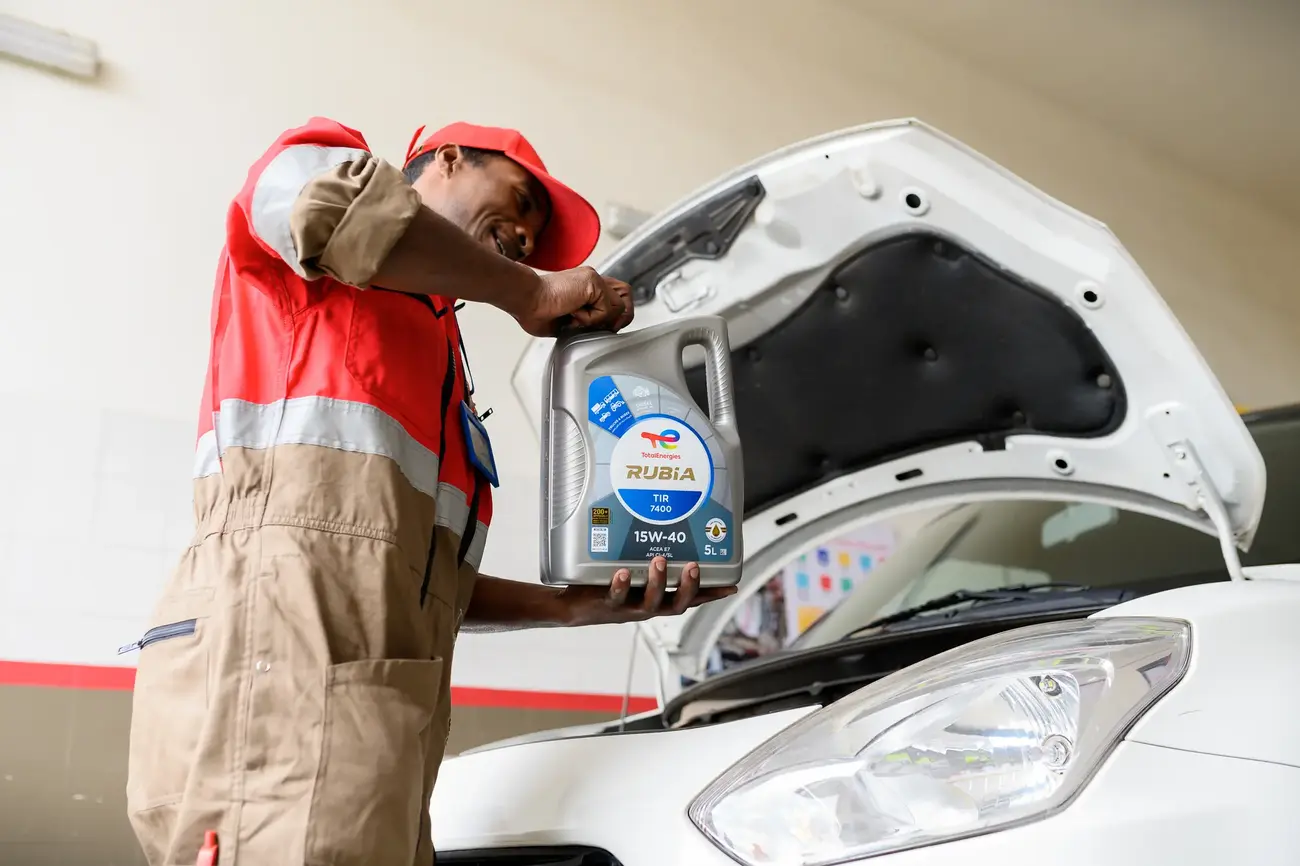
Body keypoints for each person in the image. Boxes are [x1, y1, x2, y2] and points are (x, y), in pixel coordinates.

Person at [124, 117, 737, 866]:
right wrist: (530, 291)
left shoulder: (444, 366)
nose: (520, 235)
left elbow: (409, 575)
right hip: (275, 688)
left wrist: (575, 606)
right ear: (445, 159)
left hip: (375, 730)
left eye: (533, 239)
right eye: (515, 202)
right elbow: (333, 212)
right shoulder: (316, 189)